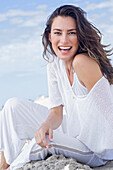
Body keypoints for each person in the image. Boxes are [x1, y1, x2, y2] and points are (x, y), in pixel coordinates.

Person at [0, 4, 113, 170]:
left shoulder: (82, 62)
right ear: (49, 36)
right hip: (74, 131)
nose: (64, 40)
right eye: (58, 33)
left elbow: (110, 112)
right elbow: (56, 113)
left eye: (71, 33)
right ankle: (5, 163)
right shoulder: (54, 63)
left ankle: (13, 167)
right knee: (12, 107)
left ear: (80, 36)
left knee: (43, 144)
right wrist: (46, 125)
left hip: (95, 148)